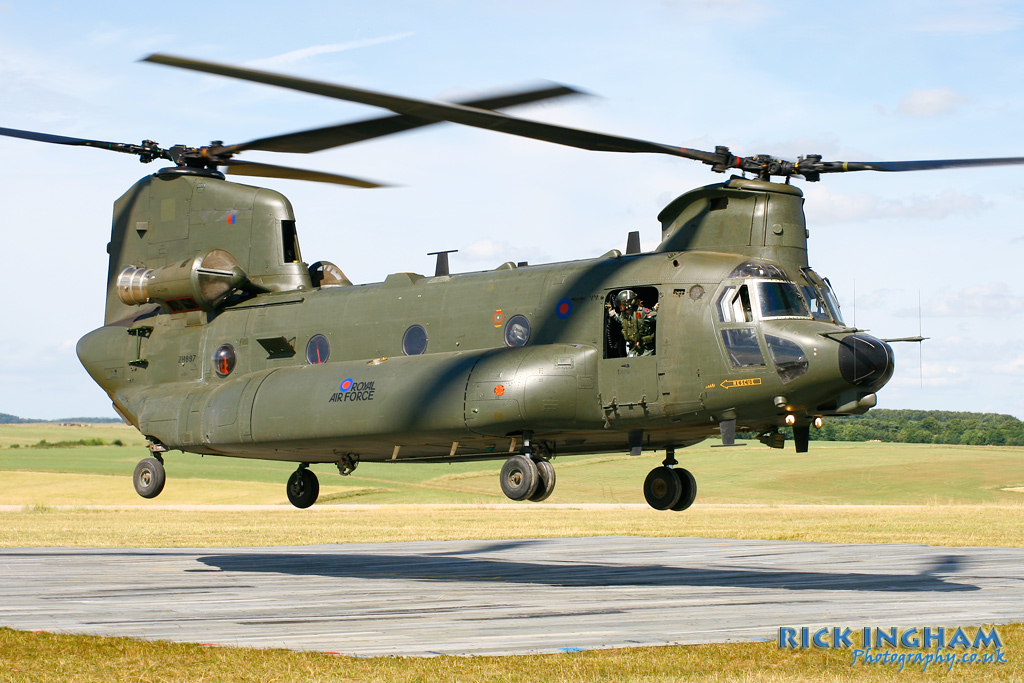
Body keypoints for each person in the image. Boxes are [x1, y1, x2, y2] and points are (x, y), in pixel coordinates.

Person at [607, 290, 658, 356]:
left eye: (621, 304)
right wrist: (612, 313)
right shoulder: (624, 315)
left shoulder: (642, 312)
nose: (620, 306)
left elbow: (657, 317)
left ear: (628, 303)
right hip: (633, 348)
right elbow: (621, 321)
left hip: (646, 349)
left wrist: (655, 311)